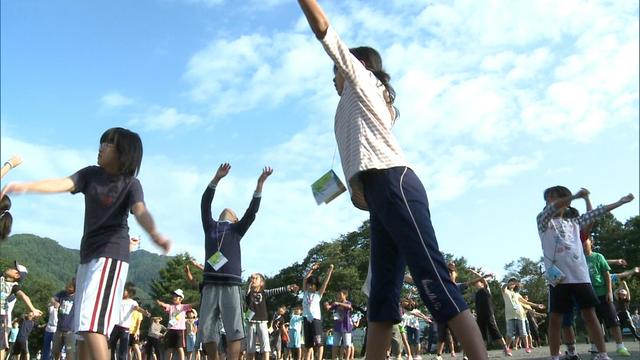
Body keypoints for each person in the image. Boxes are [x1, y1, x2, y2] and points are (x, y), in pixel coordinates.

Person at [295, 2, 486, 358]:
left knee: (433, 278)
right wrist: (357, 188)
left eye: (336, 70)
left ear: (358, 66)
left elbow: (323, 30)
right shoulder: (358, 101)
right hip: (380, 195)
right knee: (382, 296)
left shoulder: (361, 81)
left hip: (395, 185)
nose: (333, 77)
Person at [1, 127, 172, 360]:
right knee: (82, 330)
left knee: (93, 327)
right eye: (101, 143)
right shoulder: (91, 174)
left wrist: (154, 233)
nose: (101, 147)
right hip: (87, 259)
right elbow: (62, 183)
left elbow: (140, 211)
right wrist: (26, 186)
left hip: (110, 257)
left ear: (124, 153)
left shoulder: (131, 184)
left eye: (108, 144)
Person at [537, 186, 634, 360]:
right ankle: (554, 357)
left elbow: (596, 213)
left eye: (557, 198)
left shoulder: (573, 223)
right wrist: (574, 196)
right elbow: (553, 208)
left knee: (590, 315)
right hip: (559, 280)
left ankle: (602, 354)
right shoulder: (543, 221)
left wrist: (621, 202)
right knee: (556, 319)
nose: (553, 202)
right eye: (551, 198)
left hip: (581, 277)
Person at [199, 163, 272, 360]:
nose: (228, 209)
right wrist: (216, 179)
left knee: (234, 331)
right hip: (210, 284)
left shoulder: (236, 230)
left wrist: (259, 185)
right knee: (205, 329)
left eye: (233, 212)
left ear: (235, 219)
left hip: (231, 285)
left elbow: (253, 211)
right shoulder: (210, 226)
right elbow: (205, 203)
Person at [583, 237, 632, 356]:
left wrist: (609, 292)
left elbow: (607, 275)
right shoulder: (578, 259)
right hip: (588, 295)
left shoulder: (598, 257)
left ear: (591, 242)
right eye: (581, 241)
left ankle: (620, 346)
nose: (583, 243)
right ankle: (595, 348)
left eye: (585, 240)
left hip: (603, 294)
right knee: (593, 323)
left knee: (613, 321)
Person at [246, 274, 298, 360]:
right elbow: (246, 292)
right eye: (251, 278)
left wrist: (288, 287)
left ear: (261, 282)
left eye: (256, 278)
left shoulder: (264, 292)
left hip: (262, 321)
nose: (253, 279)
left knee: (265, 347)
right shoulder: (248, 292)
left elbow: (276, 290)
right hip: (251, 322)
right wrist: (249, 284)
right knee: (250, 348)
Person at [1, 262, 43, 360]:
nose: (10, 268)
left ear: (17, 275)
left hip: (2, 317)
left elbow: (24, 296)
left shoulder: (14, 286)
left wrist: (33, 309)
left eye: (14, 268)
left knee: (1, 345)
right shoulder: (1, 276)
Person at [467, 269, 511, 356]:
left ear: (482, 283)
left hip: (489, 314)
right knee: (481, 334)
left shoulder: (486, 288)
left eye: (478, 282)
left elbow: (481, 277)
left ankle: (506, 349)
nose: (476, 283)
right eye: (476, 283)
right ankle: (483, 353)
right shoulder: (476, 294)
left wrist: (473, 272)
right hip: (480, 316)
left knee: (495, 332)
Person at [302, 263, 334, 360]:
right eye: (309, 285)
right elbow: (304, 279)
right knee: (308, 345)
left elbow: (325, 283)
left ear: (316, 286)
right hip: (306, 319)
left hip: (316, 320)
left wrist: (330, 271)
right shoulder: (305, 292)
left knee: (319, 343)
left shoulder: (318, 294)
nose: (310, 287)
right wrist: (311, 269)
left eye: (312, 285)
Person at [158, 289, 194, 360]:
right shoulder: (170, 307)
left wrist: (202, 299)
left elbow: (193, 304)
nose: (174, 297)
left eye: (176, 296)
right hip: (171, 330)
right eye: (173, 296)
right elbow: (164, 305)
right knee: (170, 348)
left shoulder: (184, 307)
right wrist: (159, 302)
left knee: (179, 347)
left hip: (180, 330)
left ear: (180, 299)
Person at [324, 289, 354, 360]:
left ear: (345, 295)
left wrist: (339, 303)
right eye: (338, 295)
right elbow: (329, 308)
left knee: (347, 345)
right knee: (335, 344)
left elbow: (349, 307)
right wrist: (326, 304)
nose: (339, 296)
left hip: (346, 327)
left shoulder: (347, 302)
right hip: (337, 326)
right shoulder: (336, 304)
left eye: (340, 295)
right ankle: (334, 358)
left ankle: (347, 358)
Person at [52, 279, 76, 360]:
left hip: (70, 330)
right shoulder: (62, 293)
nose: (67, 287)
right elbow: (52, 299)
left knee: (70, 352)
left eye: (70, 286)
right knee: (56, 350)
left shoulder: (77, 297)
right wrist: (55, 302)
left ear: (74, 288)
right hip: (59, 328)